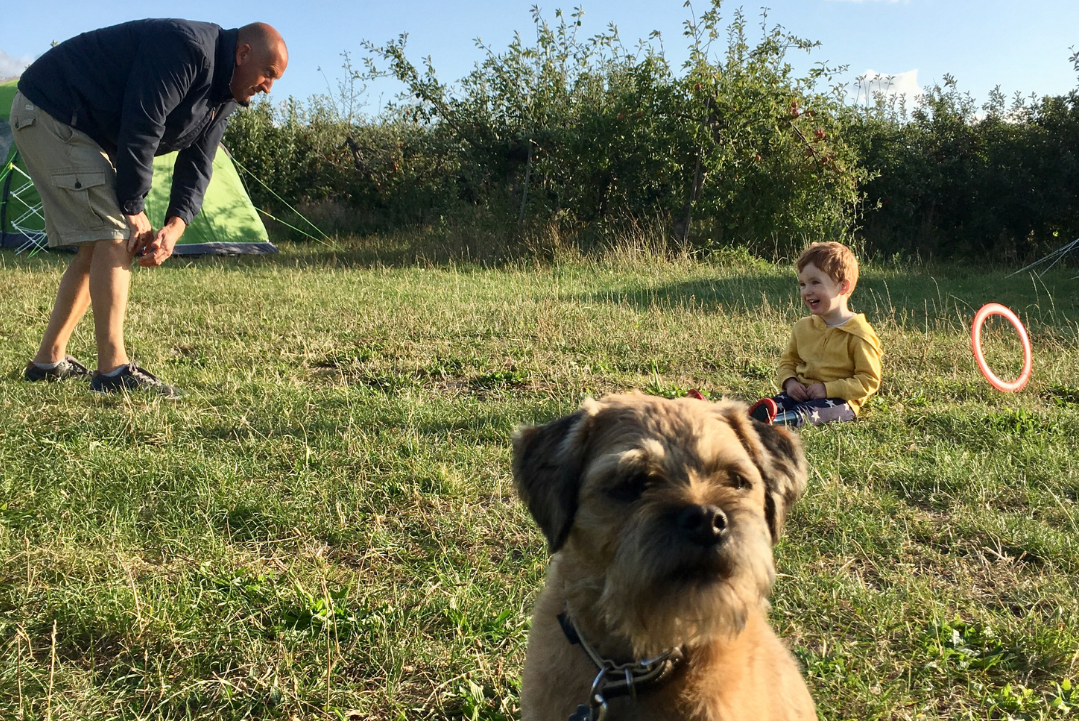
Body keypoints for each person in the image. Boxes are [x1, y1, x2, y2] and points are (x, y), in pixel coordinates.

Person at [11, 19, 287, 396]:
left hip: (79, 128)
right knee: (116, 234)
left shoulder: (224, 96)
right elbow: (143, 122)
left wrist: (175, 226)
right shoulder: (186, 49)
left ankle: (48, 361)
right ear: (243, 54)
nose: (268, 87)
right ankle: (113, 371)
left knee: (97, 246)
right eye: (268, 73)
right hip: (51, 110)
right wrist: (132, 205)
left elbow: (199, 164)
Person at [748, 242, 883, 427]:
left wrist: (828, 389)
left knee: (808, 412)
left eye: (815, 282)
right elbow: (788, 361)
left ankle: (774, 423)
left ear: (843, 286)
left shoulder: (859, 334)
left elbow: (869, 380)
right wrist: (790, 383)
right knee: (776, 403)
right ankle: (746, 418)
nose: (807, 291)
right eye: (802, 284)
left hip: (840, 401)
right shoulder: (803, 327)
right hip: (801, 393)